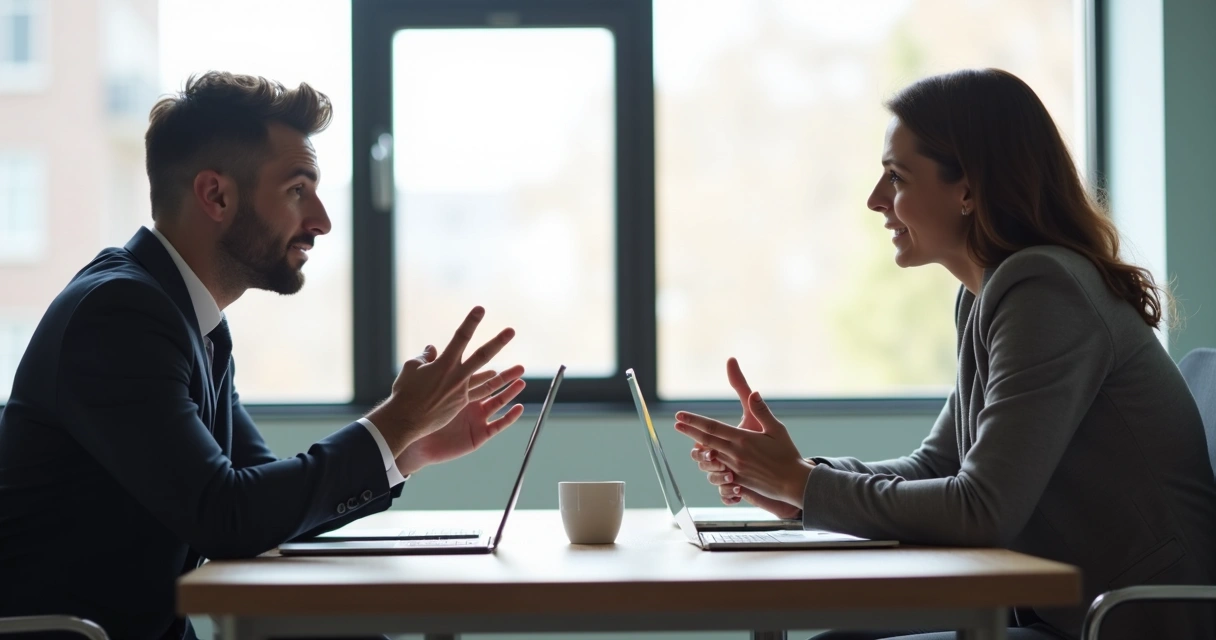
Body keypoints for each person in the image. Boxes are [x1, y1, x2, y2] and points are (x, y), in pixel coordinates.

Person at [673, 69, 1216, 640]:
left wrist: (801, 486)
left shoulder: (1045, 290)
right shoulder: (989, 294)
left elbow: (982, 509)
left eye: (896, 177)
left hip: (1133, 622)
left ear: (968, 189)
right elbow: (939, 467)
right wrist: (798, 481)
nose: (875, 199)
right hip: (1068, 612)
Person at [0, 72, 527, 640]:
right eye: (298, 190)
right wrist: (390, 423)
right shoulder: (120, 315)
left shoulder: (189, 321)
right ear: (216, 195)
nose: (322, 220)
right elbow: (227, 517)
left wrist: (408, 443)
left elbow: (260, 501)